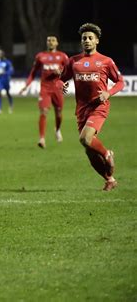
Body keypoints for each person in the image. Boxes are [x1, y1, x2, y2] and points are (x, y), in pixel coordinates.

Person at [60, 23, 124, 191]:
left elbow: (120, 82)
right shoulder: (73, 61)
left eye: (90, 38)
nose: (87, 40)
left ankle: (107, 154)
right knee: (89, 150)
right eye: (84, 38)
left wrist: (108, 93)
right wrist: (61, 84)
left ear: (97, 41)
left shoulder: (106, 61)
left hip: (99, 107)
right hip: (81, 109)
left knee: (85, 139)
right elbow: (62, 78)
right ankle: (109, 179)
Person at [19, 36, 69, 148]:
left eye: (52, 40)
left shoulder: (63, 56)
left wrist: (60, 72)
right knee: (43, 111)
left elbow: (68, 72)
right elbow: (33, 72)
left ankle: (57, 129)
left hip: (57, 88)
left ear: (57, 43)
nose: (50, 42)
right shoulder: (40, 56)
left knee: (59, 112)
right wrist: (26, 86)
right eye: (48, 40)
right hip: (45, 88)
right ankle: (42, 139)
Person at [0, 49, 14, 114]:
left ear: (3, 54)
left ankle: (11, 106)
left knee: (7, 93)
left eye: (0, 54)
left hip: (6, 79)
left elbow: (11, 70)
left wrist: (5, 73)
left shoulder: (7, 62)